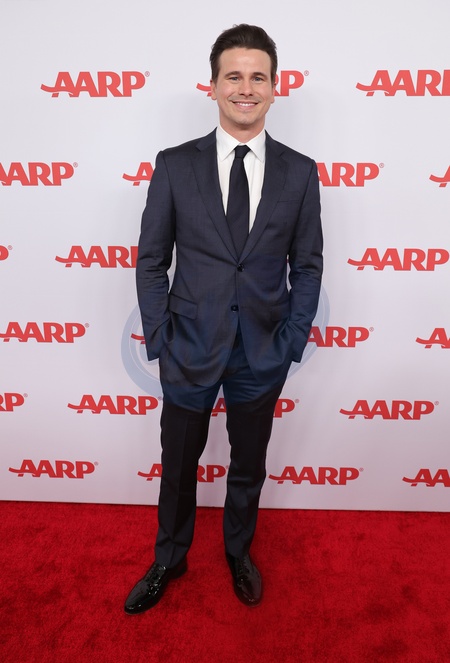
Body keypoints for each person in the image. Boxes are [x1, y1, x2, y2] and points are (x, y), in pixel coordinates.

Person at [125, 23, 323, 614]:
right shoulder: (175, 165)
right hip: (187, 344)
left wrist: (291, 339)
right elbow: (152, 259)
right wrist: (161, 337)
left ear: (275, 88)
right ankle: (169, 558)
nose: (245, 88)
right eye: (233, 76)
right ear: (212, 86)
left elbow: (308, 265)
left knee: (248, 465)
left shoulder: (300, 172)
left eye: (258, 77)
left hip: (262, 350)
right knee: (178, 465)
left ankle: (238, 551)